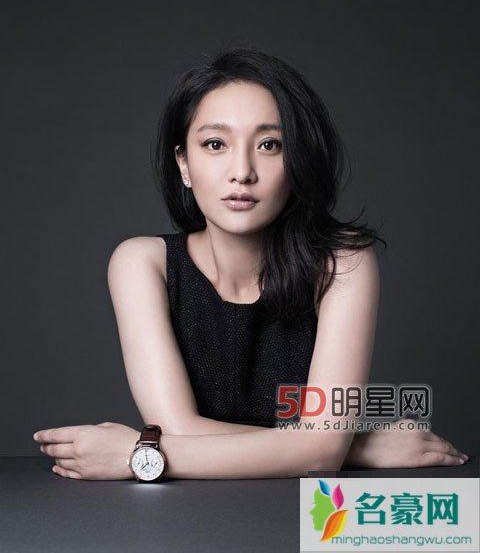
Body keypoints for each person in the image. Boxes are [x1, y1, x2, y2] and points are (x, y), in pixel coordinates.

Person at [32, 46, 469, 480]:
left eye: (269, 145)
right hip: (186, 516)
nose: (242, 171)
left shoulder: (342, 262)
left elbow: (315, 450)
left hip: (301, 514)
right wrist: (351, 448)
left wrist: (138, 454)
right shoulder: (143, 264)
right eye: (215, 144)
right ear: (184, 164)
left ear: (297, 161)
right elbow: (180, 431)